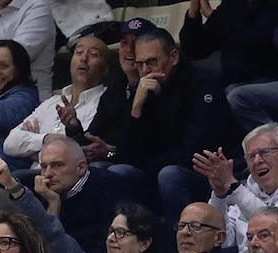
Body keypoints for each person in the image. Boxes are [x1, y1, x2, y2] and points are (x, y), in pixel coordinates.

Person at [87, 27, 231, 221]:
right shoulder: (143, 91)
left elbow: (195, 151)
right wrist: (136, 108)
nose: (145, 71)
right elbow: (125, 154)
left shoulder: (201, 85)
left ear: (173, 57)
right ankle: (128, 235)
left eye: (151, 62)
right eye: (140, 65)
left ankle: (181, 236)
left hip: (200, 175)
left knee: (168, 175)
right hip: (155, 170)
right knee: (116, 172)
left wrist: (147, 165)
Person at [202, 122, 278, 253]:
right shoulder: (246, 191)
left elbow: (277, 225)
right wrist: (219, 195)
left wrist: (232, 185)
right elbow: (222, 239)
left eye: (265, 153)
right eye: (251, 157)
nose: (257, 161)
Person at [1, 33, 108, 161]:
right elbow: (10, 143)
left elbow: (81, 151)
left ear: (106, 68)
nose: (83, 58)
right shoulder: (52, 102)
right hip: (36, 175)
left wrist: (35, 152)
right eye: (79, 52)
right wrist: (46, 138)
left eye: (93, 54)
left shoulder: (106, 102)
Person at [32, 136, 129, 253]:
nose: (47, 174)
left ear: (81, 167)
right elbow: (43, 251)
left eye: (57, 165)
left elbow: (109, 247)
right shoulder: (47, 193)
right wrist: (53, 205)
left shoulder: (108, 187)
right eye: (44, 167)